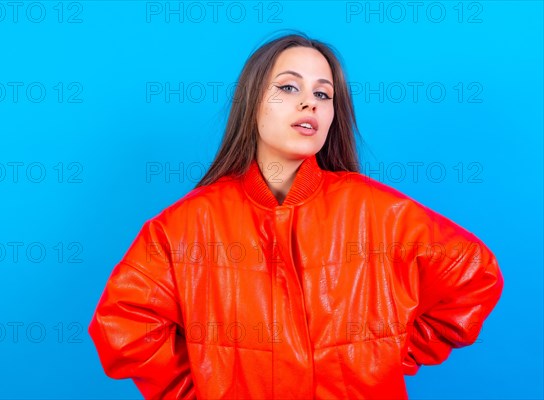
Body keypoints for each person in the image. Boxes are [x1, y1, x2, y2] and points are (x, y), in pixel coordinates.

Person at [88, 32, 504, 399]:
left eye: (323, 94)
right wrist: (197, 388)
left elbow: (475, 275)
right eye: (288, 87)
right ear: (251, 103)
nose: (309, 101)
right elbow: (124, 327)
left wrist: (391, 354)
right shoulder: (184, 227)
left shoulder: (382, 214)